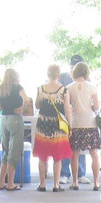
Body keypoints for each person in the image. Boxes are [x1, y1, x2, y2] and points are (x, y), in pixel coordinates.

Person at [33, 63, 72, 193]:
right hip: (57, 126)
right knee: (57, 156)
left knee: (42, 156)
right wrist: (70, 125)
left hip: (43, 124)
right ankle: (56, 184)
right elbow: (67, 110)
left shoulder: (40, 89)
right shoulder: (64, 90)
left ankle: (42, 184)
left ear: (47, 74)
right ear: (59, 75)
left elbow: (37, 105)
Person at [66, 61, 101, 191]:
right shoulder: (92, 87)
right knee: (94, 153)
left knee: (74, 153)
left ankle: (75, 182)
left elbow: (68, 107)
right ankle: (96, 183)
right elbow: (97, 106)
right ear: (87, 72)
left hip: (76, 122)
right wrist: (91, 107)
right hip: (90, 122)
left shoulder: (69, 87)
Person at [0, 68, 32, 191]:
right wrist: (22, 108)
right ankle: (10, 183)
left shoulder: (0, 88)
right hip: (15, 119)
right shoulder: (18, 87)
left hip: (3, 119)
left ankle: (1, 182)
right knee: (14, 151)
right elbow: (27, 99)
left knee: (5, 151)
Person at [58, 54, 85, 186]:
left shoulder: (87, 80)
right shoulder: (63, 78)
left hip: (81, 118)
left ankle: (81, 174)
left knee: (80, 146)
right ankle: (64, 173)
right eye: (73, 65)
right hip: (65, 117)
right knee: (66, 146)